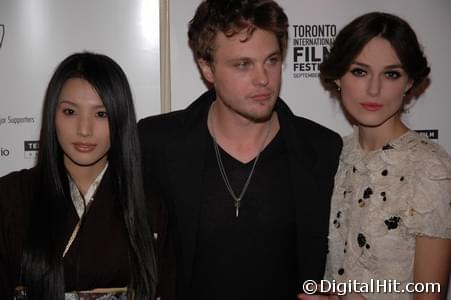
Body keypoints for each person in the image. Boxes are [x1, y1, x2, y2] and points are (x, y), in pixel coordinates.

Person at [138, 0, 342, 299]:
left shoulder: (322, 149)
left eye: (271, 60)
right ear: (207, 68)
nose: (263, 79)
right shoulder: (155, 142)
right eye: (243, 64)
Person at [316, 12, 451, 300]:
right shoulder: (332, 154)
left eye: (391, 74)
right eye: (359, 71)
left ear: (409, 82)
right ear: (338, 76)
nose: (374, 89)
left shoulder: (430, 168)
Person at [0, 52, 157, 299]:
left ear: (120, 119)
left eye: (101, 114)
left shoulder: (149, 205)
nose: (84, 130)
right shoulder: (10, 196)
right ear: (52, 115)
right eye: (70, 112)